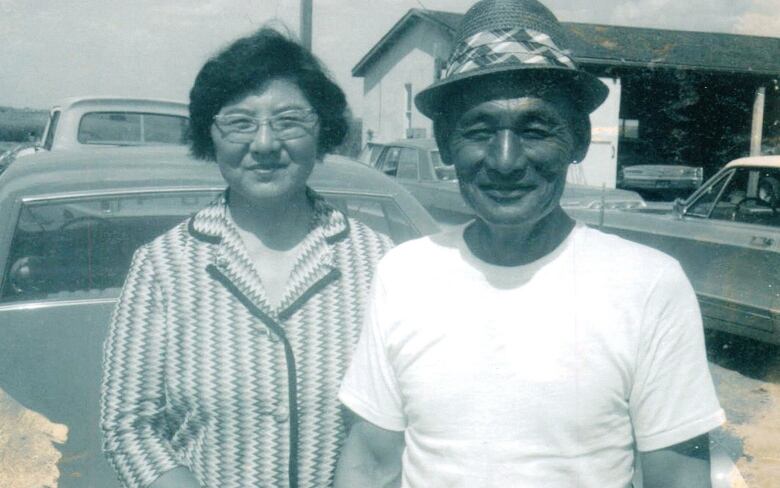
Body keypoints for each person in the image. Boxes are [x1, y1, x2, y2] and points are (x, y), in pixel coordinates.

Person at [334, 1, 725, 487]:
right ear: (445, 143)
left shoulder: (647, 284)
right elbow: (371, 464)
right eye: (478, 130)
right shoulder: (406, 274)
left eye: (535, 129)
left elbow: (679, 479)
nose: (505, 160)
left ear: (579, 140)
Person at [100, 28, 392, 488]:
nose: (264, 144)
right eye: (240, 122)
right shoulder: (163, 265)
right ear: (209, 135)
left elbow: (398, 425)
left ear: (324, 130)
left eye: (289, 120)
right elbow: (129, 426)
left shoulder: (378, 261)